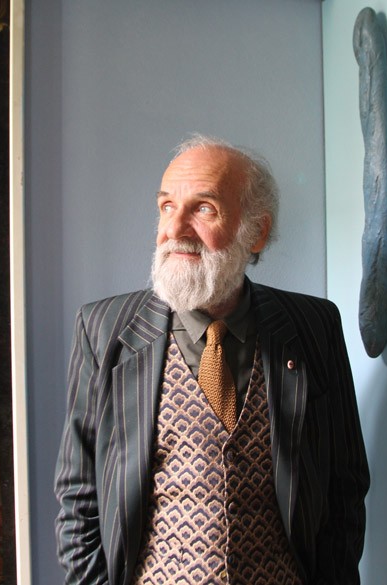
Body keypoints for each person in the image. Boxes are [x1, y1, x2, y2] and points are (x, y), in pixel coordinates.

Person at [55, 135, 370, 585]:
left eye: (203, 208)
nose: (174, 229)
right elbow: (79, 498)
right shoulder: (103, 330)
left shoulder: (313, 326)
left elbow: (345, 486)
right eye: (167, 206)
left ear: (256, 231)